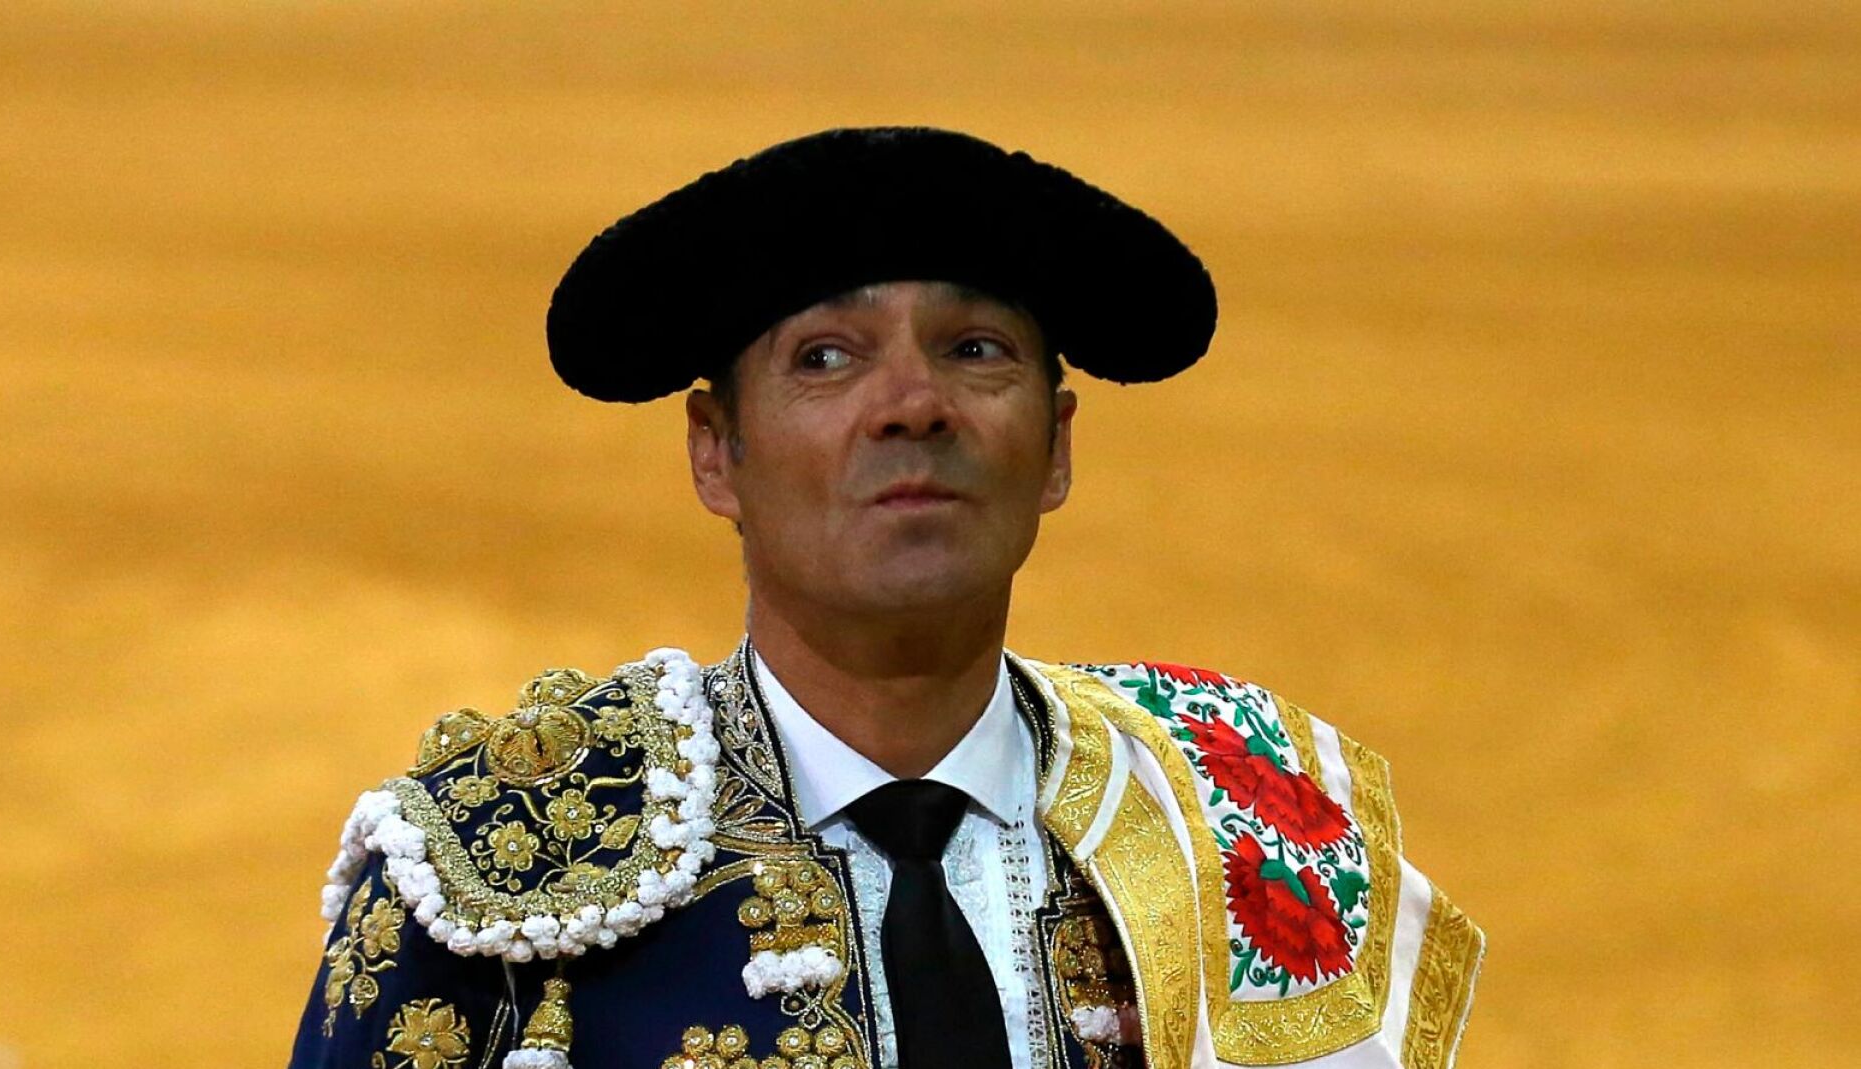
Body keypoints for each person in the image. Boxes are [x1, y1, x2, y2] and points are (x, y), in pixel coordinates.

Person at [287, 126, 1484, 1069]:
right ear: (714, 452)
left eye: (976, 350)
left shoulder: (1241, 816)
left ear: (1057, 446)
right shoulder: (495, 871)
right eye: (825, 358)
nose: (913, 405)